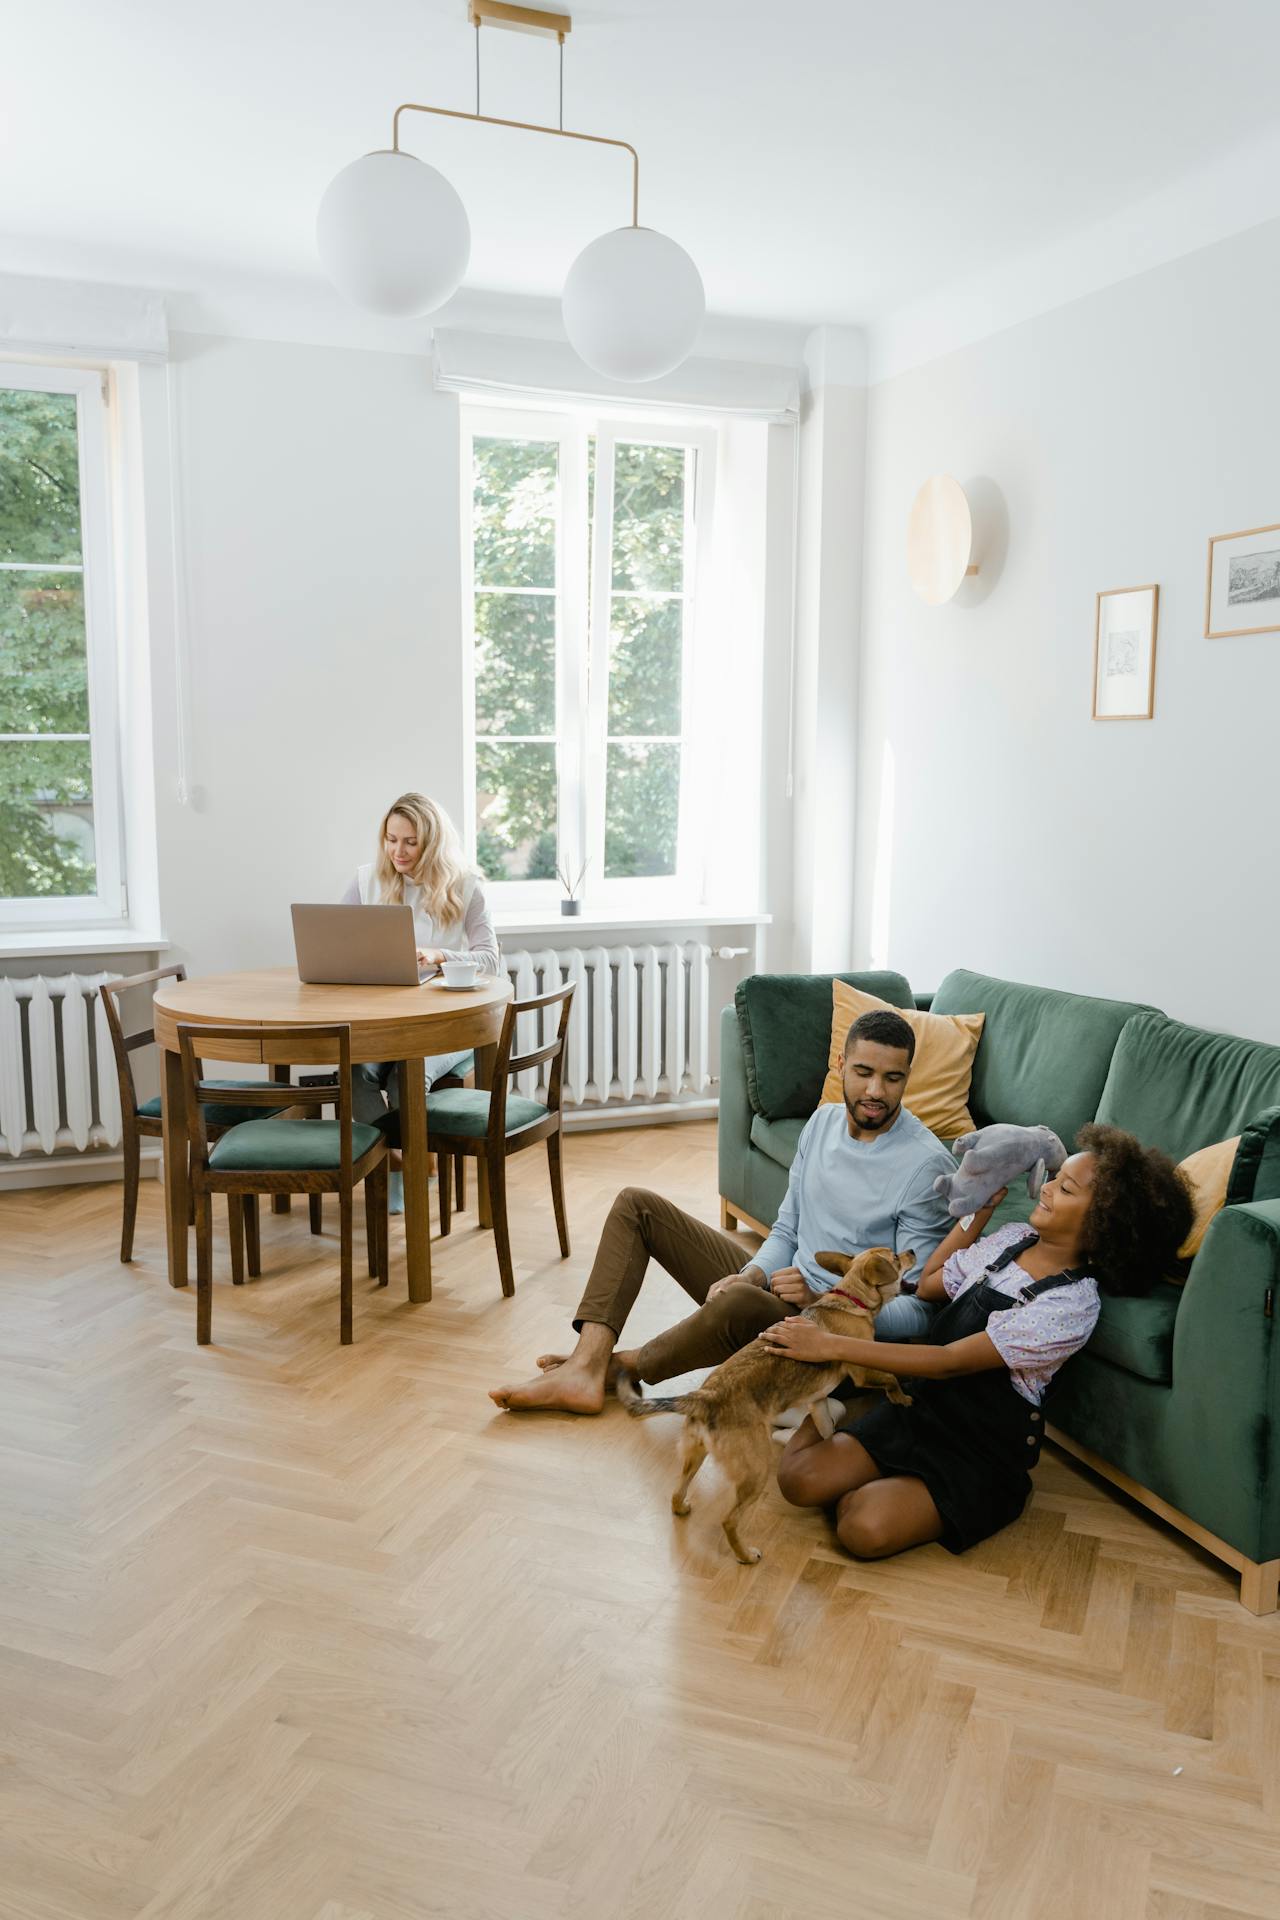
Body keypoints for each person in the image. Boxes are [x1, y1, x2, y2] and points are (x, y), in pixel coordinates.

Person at [489, 1008, 956, 1413]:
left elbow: (921, 1309)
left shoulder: (925, 1166)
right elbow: (787, 1230)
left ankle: (613, 1368)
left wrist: (821, 1298)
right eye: (863, 1072)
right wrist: (753, 1273)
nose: (875, 1090)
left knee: (737, 1302)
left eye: (892, 1078)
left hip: (831, 1339)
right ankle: (588, 1360)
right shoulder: (822, 1122)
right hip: (777, 1289)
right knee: (637, 1205)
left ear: (908, 1077)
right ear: (840, 1066)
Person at [768, 1123, 1193, 1560]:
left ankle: (880, 1480)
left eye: (1064, 1188)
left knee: (861, 1528)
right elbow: (930, 1283)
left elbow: (951, 1360)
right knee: (797, 1481)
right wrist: (979, 1211)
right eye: (1054, 1177)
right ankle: (841, 1415)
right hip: (922, 1411)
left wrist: (829, 1345)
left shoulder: (1071, 1305)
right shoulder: (1012, 1242)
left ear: (1103, 1225)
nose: (1045, 1189)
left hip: (977, 1455)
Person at [342, 792, 499, 1207]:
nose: (398, 851)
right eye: (391, 839)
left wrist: (441, 955)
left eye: (410, 841)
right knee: (354, 1072)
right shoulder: (366, 881)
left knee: (403, 1076)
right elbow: (335, 938)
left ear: (431, 842)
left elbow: (490, 959)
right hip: (384, 1021)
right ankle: (398, 1159)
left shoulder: (466, 886)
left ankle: (412, 1161)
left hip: (445, 1025)